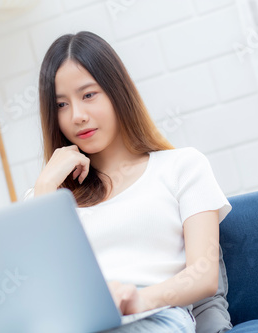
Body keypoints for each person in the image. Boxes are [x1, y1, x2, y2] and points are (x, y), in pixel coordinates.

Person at [24, 31, 232, 333]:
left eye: (88, 95)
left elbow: (203, 275)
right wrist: (44, 193)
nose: (77, 116)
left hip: (153, 317)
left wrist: (136, 299)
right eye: (61, 105)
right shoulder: (46, 196)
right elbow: (38, 290)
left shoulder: (182, 166)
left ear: (117, 91)